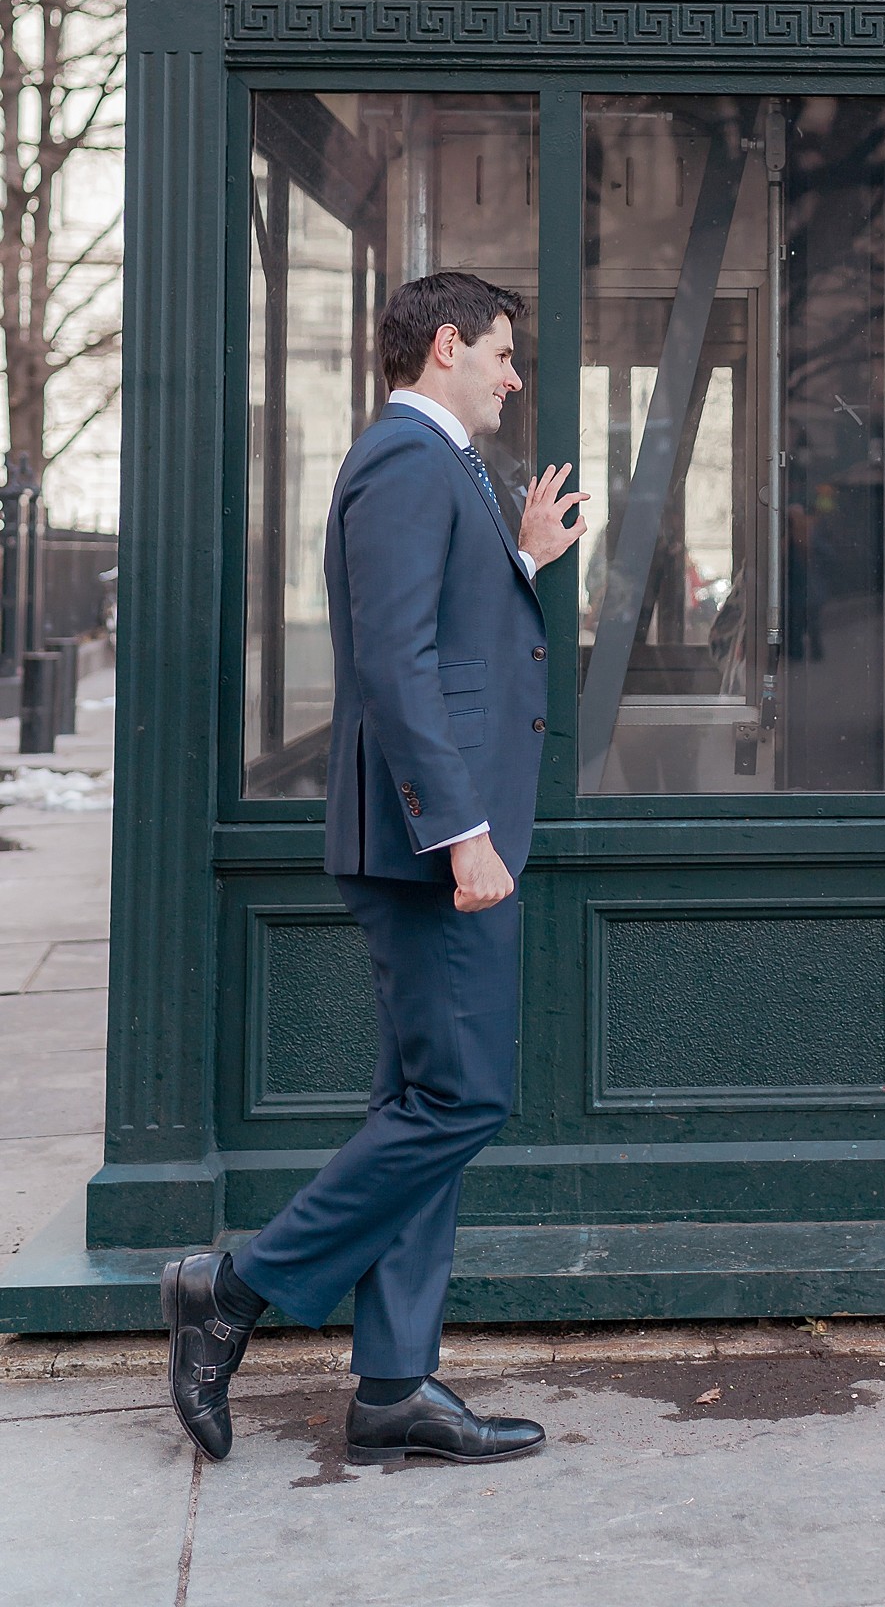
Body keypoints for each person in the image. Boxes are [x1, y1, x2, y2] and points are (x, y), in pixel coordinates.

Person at [163, 270, 587, 1465]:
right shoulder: (407, 458)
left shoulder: (435, 464)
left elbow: (435, 636)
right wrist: (462, 835)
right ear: (447, 346)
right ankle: (232, 1292)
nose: (514, 375)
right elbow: (395, 666)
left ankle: (395, 1384)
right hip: (429, 848)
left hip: (436, 840)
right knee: (462, 1101)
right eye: (503, 353)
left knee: (420, 1107)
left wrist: (514, 562)